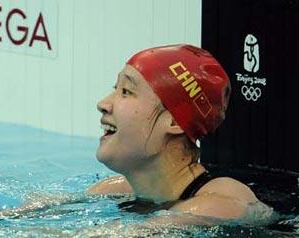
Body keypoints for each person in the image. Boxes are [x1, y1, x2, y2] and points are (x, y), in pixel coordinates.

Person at [87, 44, 271, 222]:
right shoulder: (115, 189)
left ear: (175, 121)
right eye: (115, 88)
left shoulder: (221, 202)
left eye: (126, 91)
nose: (103, 104)